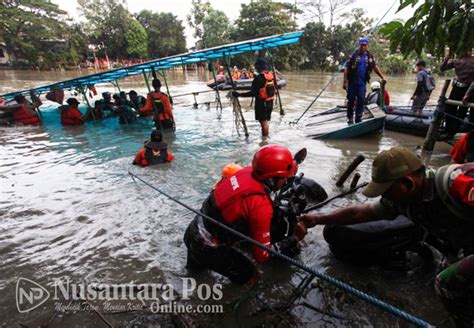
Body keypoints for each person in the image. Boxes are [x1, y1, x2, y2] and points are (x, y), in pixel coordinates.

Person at [299, 147, 474, 326]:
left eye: (386, 191)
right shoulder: (402, 198)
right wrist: (318, 219)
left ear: (407, 183)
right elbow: (359, 214)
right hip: (460, 241)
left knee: (446, 284)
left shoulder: (456, 182)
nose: (384, 196)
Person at [184, 144, 308, 285]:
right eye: (284, 178)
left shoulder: (245, 172)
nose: (286, 180)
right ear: (274, 178)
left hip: (193, 230)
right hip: (206, 246)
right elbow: (262, 256)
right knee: (251, 277)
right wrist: (295, 238)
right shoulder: (261, 205)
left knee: (194, 276)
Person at [344, 37, 386, 124]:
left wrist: (382, 77)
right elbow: (346, 68)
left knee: (361, 100)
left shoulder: (369, 56)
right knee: (351, 100)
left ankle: (358, 118)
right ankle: (350, 118)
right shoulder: (353, 55)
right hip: (352, 82)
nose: (363, 47)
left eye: (365, 45)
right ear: (359, 45)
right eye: (361, 45)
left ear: (367, 46)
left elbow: (375, 67)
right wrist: (345, 82)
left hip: (362, 83)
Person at [232, 58, 275, 137]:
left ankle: (264, 141)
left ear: (258, 67)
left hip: (262, 103)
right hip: (270, 102)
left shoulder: (258, 78)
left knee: (263, 123)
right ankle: (266, 138)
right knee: (265, 122)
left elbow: (252, 93)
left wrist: (239, 94)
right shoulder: (271, 76)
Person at [440, 51, 474, 137]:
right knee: (453, 109)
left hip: (467, 89)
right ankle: (450, 131)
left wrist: (467, 94)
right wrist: (446, 60)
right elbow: (442, 68)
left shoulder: (458, 60)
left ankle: (451, 131)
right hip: (460, 88)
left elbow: (442, 68)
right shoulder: (456, 60)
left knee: (458, 111)